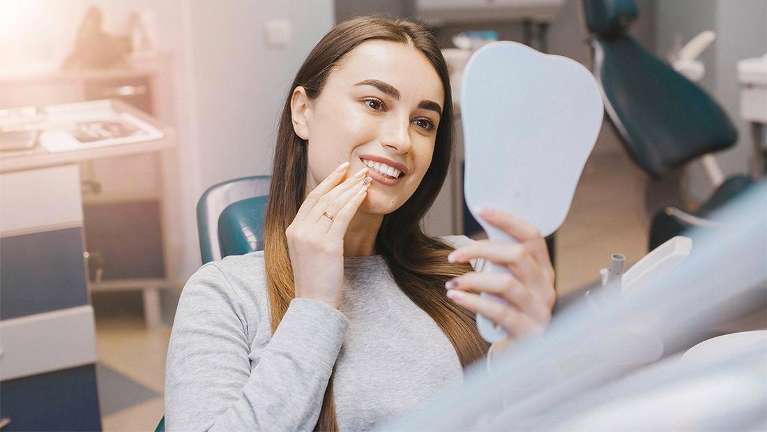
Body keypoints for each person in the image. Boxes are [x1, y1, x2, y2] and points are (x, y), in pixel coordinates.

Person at [165, 16, 556, 432]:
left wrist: (529, 355)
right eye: (375, 103)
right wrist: (314, 306)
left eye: (423, 122)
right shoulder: (224, 295)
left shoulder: (467, 272)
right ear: (303, 111)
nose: (402, 140)